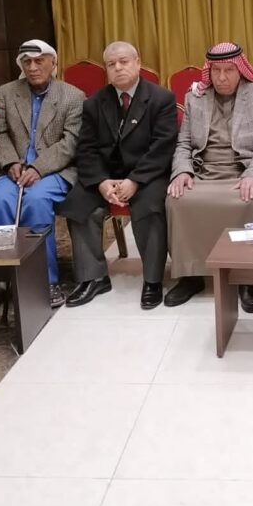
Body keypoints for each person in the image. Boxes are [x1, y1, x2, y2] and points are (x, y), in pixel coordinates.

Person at [58, 42, 177, 310]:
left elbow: (163, 147)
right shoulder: (94, 103)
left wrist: (134, 181)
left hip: (147, 174)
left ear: (138, 62)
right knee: (79, 204)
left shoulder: (161, 99)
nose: (118, 68)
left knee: (150, 206)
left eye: (124, 61)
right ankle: (93, 278)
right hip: (106, 175)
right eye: (111, 64)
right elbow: (86, 149)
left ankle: (153, 280)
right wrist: (101, 182)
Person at [164, 43, 253, 310]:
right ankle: (191, 275)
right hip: (204, 172)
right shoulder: (195, 97)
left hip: (243, 170)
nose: (222, 77)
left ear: (240, 70)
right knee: (177, 200)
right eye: (216, 71)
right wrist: (182, 171)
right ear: (209, 71)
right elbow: (184, 143)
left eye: (229, 70)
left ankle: (247, 278)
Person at [0, 40, 84, 310]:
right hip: (13, 170)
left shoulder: (73, 96)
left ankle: (44, 281)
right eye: (27, 62)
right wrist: (9, 163)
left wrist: (38, 167)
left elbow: (70, 143)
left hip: (54, 170)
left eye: (39, 61)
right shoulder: (7, 92)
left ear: (53, 63)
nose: (33, 67)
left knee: (36, 201)